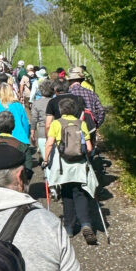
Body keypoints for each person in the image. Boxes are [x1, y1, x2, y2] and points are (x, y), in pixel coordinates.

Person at [44, 98, 98, 244]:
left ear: (61, 110)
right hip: (79, 164)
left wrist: (45, 159)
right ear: (75, 110)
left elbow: (49, 143)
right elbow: (88, 148)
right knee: (80, 193)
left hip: (63, 165)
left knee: (67, 194)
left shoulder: (56, 123)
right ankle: (86, 223)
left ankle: (69, 227)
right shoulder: (81, 124)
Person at [31, 79, 55, 162]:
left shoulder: (36, 103)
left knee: (46, 158)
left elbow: (34, 119)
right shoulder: (57, 102)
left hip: (42, 132)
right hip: (56, 132)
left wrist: (32, 133)